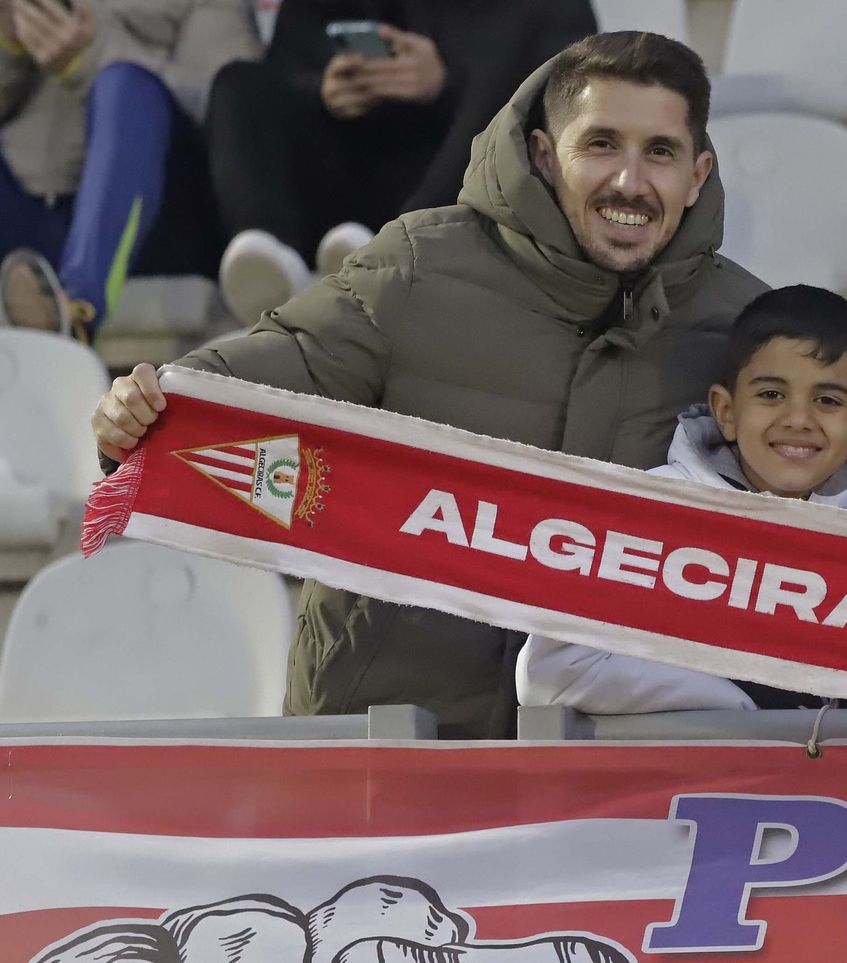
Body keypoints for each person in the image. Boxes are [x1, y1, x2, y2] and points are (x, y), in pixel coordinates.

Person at [91, 31, 769, 738]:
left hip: (622, 779)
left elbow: (835, 480)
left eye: (659, 152)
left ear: (698, 174)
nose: (630, 181)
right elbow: (259, 374)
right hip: (383, 749)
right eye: (600, 144)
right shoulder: (417, 266)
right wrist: (143, 412)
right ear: (543, 153)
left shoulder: (744, 328)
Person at [518, 284, 847, 714]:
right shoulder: (652, 510)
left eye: (827, 400)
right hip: (692, 777)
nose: (798, 419)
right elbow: (552, 674)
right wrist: (730, 707)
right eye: (771, 395)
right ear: (726, 411)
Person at [206, 0, 596, 323]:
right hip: (342, 191)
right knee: (239, 82)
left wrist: (444, 86)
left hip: (449, 197)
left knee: (504, 101)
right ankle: (265, 252)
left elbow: (551, 111)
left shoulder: (542, 12)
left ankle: (397, 251)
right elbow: (291, 54)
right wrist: (323, 87)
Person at [0, 0, 260, 341]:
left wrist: (88, 58)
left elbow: (228, 102)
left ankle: (76, 312)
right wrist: (8, 47)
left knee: (125, 84)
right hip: (26, 203)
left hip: (154, 219)